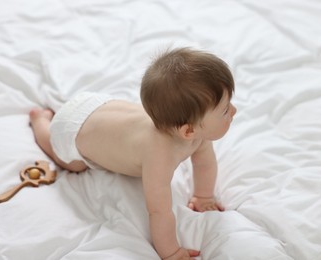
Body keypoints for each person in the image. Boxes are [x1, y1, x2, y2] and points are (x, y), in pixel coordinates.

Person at [29, 47, 236, 260]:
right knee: (74, 165)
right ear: (188, 131)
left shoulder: (194, 132)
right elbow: (159, 212)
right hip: (72, 130)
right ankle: (40, 122)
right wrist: (171, 252)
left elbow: (205, 164)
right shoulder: (159, 155)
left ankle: (50, 118)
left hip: (97, 105)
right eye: (225, 110)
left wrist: (203, 196)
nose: (234, 111)